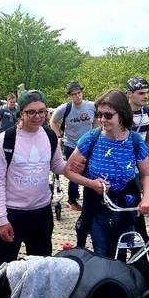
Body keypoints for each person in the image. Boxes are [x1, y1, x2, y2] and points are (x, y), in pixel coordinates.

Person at [0, 89, 84, 271]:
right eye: (31, 112)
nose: (38, 116)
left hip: (41, 213)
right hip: (12, 212)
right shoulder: (5, 139)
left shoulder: (49, 136)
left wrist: (75, 166)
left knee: (40, 268)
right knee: (3, 270)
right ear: (20, 113)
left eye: (42, 111)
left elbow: (57, 166)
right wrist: (1, 219)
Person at [64, 89, 149, 260]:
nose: (102, 120)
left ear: (121, 115)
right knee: (102, 255)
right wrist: (91, 183)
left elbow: (145, 175)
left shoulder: (135, 142)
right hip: (98, 205)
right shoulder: (91, 138)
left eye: (108, 115)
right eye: (99, 114)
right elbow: (68, 170)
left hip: (126, 205)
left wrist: (147, 198)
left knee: (122, 257)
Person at [50, 81, 98, 211]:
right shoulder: (65, 108)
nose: (77, 96)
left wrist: (96, 134)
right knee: (74, 171)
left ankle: (88, 197)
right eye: (74, 94)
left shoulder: (92, 106)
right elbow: (53, 121)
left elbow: (96, 120)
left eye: (79, 93)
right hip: (72, 144)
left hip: (88, 144)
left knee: (90, 170)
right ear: (70, 96)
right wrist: (59, 136)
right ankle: (72, 199)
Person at [126, 76, 149, 170]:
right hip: (121, 163)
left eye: (147, 92)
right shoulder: (120, 113)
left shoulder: (148, 112)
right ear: (129, 94)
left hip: (141, 164)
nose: (146, 96)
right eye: (141, 93)